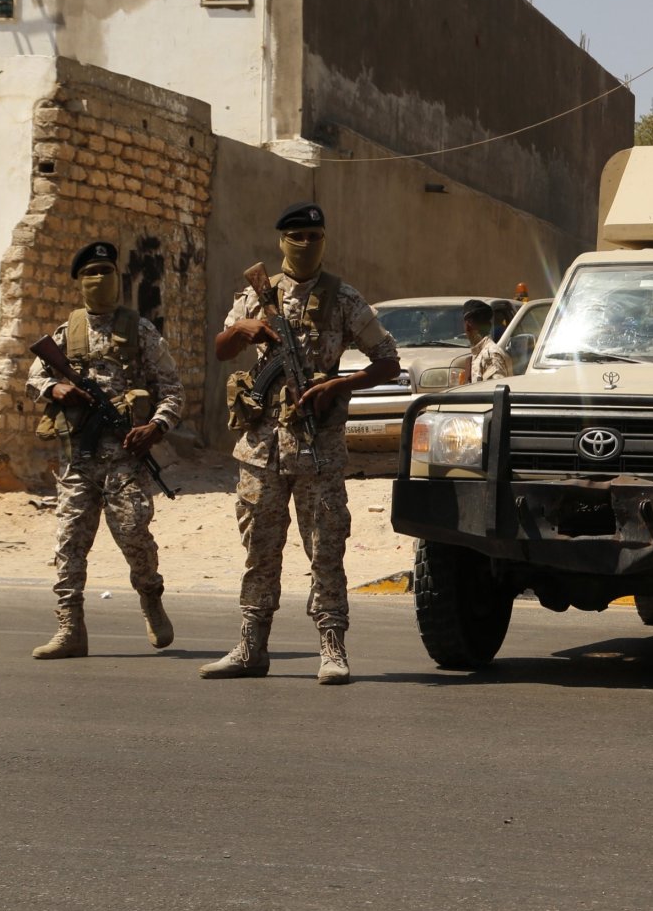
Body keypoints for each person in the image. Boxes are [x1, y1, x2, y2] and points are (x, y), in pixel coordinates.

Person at [201, 202, 400, 685]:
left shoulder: (345, 298)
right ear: (281, 240)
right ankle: (252, 646)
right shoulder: (256, 293)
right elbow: (222, 349)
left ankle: (332, 647)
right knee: (260, 551)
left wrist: (339, 385)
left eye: (315, 235)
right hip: (260, 449)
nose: (307, 244)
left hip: (318, 448)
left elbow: (388, 361)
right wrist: (242, 328)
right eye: (297, 235)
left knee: (326, 550)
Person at [27, 240, 183, 659]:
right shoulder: (66, 332)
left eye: (107, 271)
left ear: (118, 278)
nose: (100, 279)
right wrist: (56, 387)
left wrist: (156, 425)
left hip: (125, 459)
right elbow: (34, 377)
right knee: (69, 543)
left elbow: (172, 390)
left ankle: (150, 596)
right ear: (80, 282)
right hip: (78, 458)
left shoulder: (141, 331)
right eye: (91, 273)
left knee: (134, 534)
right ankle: (70, 628)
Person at [463, 298, 510, 383]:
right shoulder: (479, 354)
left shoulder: (490, 355)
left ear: (467, 325)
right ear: (489, 326)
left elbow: (496, 392)